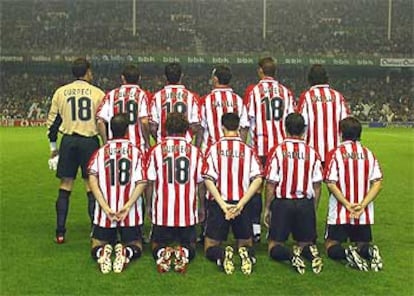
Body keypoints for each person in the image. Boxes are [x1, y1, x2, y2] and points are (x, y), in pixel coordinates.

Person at [46, 57, 105, 244]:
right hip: (90, 142)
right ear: (87, 72)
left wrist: (53, 148)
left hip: (69, 141)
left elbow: (52, 124)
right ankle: (95, 228)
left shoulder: (61, 92)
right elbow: (102, 122)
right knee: (91, 185)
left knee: (65, 185)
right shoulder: (97, 93)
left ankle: (60, 231)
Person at [203, 113, 263, 275]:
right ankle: (247, 256)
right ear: (238, 127)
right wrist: (241, 204)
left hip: (219, 203)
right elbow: (258, 178)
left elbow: (208, 179)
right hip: (240, 203)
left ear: (222, 127)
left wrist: (223, 205)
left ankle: (221, 255)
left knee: (210, 245)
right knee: (245, 242)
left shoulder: (214, 148)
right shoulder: (248, 149)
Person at [264, 113, 323, 275]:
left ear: (285, 129)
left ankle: (291, 256)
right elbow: (317, 185)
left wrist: (267, 208)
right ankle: (310, 255)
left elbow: (271, 183)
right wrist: (313, 209)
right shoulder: (312, 152)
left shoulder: (278, 150)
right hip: (305, 203)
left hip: (283, 203)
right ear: (304, 130)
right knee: (305, 243)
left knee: (274, 245)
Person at [244, 57, 296, 243]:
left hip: (260, 147)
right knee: (277, 188)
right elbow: (292, 120)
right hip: (280, 149)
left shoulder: (254, 91)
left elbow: (247, 119)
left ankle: (255, 228)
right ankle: (276, 227)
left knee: (256, 187)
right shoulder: (286, 92)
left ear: (260, 71)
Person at [87, 113, 147, 274]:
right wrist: (127, 207)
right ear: (127, 130)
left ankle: (102, 253)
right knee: (136, 244)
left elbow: (92, 179)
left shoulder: (100, 152)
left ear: (110, 130)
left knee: (97, 242)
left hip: (106, 212)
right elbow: (141, 182)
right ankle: (126, 252)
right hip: (130, 212)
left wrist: (105, 208)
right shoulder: (136, 152)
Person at [146, 112, 204, 273]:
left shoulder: (156, 150)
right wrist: (201, 208)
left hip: (163, 212)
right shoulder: (194, 151)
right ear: (186, 129)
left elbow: (150, 182)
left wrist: (149, 207)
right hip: (187, 213)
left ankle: (163, 253)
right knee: (191, 246)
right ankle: (183, 253)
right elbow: (201, 184)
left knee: (156, 245)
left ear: (166, 129)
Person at [324, 117, 383, 272]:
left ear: (341, 133)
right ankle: (369, 252)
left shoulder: (335, 153)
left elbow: (330, 182)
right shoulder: (368, 154)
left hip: (341, 211)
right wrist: (362, 205)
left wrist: (347, 204)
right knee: (362, 242)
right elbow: (377, 183)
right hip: (362, 212)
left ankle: (347, 254)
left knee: (331, 243)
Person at [297, 64, 350, 166]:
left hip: (311, 151)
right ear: (327, 78)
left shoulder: (306, 96)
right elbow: (346, 123)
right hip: (335, 151)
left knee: (311, 181)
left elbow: (300, 123)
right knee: (335, 181)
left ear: (310, 79)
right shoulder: (337, 96)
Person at [96, 64, 150, 152]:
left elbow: (100, 121)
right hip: (136, 146)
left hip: (114, 147)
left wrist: (106, 142)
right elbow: (144, 121)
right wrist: (147, 142)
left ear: (123, 78)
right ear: (139, 78)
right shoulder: (141, 95)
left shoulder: (112, 94)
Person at [149, 62, 202, 146]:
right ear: (181, 76)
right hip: (185, 144)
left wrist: (159, 140)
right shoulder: (191, 97)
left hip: (163, 144)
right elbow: (195, 126)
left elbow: (152, 127)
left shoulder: (157, 97)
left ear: (165, 77)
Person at [200, 65, 249, 150]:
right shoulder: (238, 100)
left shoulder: (206, 100)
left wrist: (198, 147)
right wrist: (242, 148)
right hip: (234, 150)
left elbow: (200, 127)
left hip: (210, 150)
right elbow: (244, 127)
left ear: (215, 79)